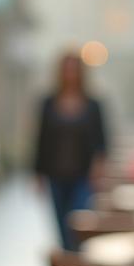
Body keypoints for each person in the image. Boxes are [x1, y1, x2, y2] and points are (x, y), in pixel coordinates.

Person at [34, 52, 110, 251]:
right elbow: (41, 140)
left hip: (82, 176)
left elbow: (102, 141)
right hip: (55, 174)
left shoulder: (93, 105)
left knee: (78, 222)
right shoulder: (48, 103)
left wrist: (99, 169)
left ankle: (78, 264)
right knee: (60, 224)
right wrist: (38, 174)